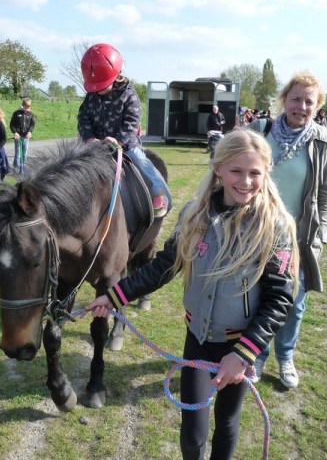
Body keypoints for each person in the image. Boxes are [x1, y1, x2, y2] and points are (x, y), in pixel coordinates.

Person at [86, 129, 298, 460]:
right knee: (192, 431)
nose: (246, 181)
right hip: (198, 339)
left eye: (255, 172)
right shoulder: (193, 216)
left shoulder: (274, 228)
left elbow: (279, 300)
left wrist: (243, 355)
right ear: (219, 169)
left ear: (265, 173)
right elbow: (163, 267)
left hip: (238, 345)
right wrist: (115, 296)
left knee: (227, 423)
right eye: (236, 171)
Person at [244, 70, 327, 388]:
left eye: (309, 101)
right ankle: (255, 355)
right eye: (295, 98)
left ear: (317, 105)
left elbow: (325, 195)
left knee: (293, 304)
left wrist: (320, 236)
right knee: (256, 298)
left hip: (296, 241)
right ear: (284, 99)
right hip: (255, 233)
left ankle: (285, 356)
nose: (301, 105)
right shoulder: (260, 130)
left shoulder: (323, 142)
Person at [77, 43, 171, 218]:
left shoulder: (129, 95)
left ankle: (158, 192)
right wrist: (89, 138)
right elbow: (83, 118)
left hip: (125, 145)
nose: (97, 91)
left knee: (142, 162)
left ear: (115, 76)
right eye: (94, 87)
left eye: (101, 86)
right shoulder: (91, 96)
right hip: (96, 145)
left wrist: (119, 140)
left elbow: (132, 122)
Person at [9, 97, 35, 174]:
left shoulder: (31, 114)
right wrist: (15, 133)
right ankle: (16, 169)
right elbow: (12, 125)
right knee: (18, 154)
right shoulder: (16, 113)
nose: (27, 108)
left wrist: (30, 132)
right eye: (26, 106)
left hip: (26, 137)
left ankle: (22, 169)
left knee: (25, 153)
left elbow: (32, 124)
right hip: (18, 137)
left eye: (29, 107)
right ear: (23, 105)